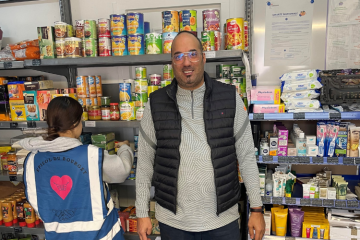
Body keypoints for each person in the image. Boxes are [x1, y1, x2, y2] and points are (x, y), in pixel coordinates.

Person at [136, 31, 265, 240]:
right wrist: (141, 212)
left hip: (222, 220)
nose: (186, 62)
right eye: (178, 56)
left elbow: (247, 157)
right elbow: (144, 162)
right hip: (173, 222)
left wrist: (257, 209)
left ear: (204, 57)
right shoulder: (155, 103)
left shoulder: (230, 97)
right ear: (172, 62)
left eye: (192, 54)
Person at [19, 97, 134, 240]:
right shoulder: (90, 156)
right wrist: (124, 148)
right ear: (75, 123)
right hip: (100, 235)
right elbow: (122, 170)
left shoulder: (32, 159)